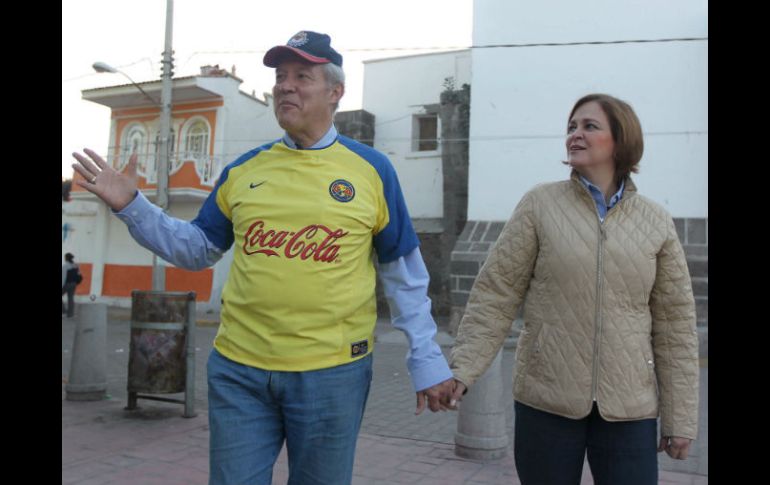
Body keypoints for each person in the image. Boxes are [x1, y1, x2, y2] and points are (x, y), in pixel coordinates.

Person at [71, 30, 454, 485]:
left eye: (301, 76)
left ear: (335, 92)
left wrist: (426, 361)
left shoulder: (372, 170)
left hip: (332, 376)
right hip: (240, 373)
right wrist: (132, 206)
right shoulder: (245, 170)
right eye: (279, 76)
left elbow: (403, 275)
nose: (284, 85)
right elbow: (196, 249)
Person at [448, 93, 699, 485]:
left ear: (621, 139)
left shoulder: (656, 221)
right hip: (546, 401)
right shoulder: (539, 204)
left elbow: (675, 326)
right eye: (571, 127)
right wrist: (464, 368)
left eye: (589, 126)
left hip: (629, 409)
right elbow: (496, 294)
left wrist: (681, 417)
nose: (575, 135)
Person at [61, 252, 80, 318]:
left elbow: (63, 277)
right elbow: (78, 274)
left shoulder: (65, 266)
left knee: (70, 298)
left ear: (66, 258)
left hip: (67, 284)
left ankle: (63, 310)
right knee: (71, 298)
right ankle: (70, 314)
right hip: (74, 284)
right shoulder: (76, 265)